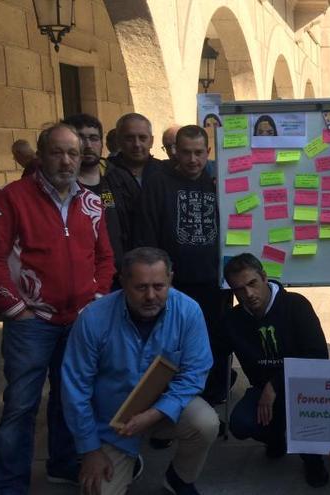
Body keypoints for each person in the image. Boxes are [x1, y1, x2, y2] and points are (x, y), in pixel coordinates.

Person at [0, 124, 115, 492]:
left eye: (73, 153)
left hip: (79, 321)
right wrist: (16, 308)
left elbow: (104, 258)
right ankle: (10, 484)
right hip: (31, 322)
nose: (67, 160)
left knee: (69, 398)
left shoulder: (91, 201)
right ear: (41, 155)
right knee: (21, 407)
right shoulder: (11, 198)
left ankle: (62, 463)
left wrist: (97, 302)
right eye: (57, 152)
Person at [61, 247, 219, 495]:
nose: (151, 296)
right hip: (112, 426)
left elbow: (195, 372)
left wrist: (155, 413)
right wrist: (89, 450)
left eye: (159, 286)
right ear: (123, 282)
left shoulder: (188, 311)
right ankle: (128, 462)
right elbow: (75, 389)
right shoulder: (93, 318)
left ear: (170, 279)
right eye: (141, 287)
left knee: (205, 422)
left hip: (165, 412)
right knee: (97, 491)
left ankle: (179, 478)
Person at [133, 125, 231, 405]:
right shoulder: (158, 183)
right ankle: (165, 411)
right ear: (175, 151)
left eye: (199, 153)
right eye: (185, 152)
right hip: (173, 286)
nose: (192, 160)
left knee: (213, 344)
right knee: (169, 349)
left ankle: (211, 403)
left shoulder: (220, 182)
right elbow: (147, 234)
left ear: (208, 152)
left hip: (215, 284)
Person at [222, 253, 330, 488]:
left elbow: (317, 355)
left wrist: (275, 385)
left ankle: (312, 459)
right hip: (262, 391)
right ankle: (275, 436)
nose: (248, 295)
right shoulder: (232, 319)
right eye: (239, 289)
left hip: (303, 388)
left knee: (305, 417)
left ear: (263, 276)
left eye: (252, 284)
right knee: (240, 424)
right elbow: (212, 354)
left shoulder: (296, 305)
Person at [62, 113, 139, 279]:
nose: (88, 145)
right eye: (81, 138)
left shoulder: (120, 178)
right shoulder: (59, 185)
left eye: (94, 138)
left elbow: (138, 226)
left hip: (119, 276)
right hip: (76, 278)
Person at [108, 113, 163, 185]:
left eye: (142, 138)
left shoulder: (166, 172)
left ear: (151, 141)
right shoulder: (105, 172)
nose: (137, 144)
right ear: (118, 141)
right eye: (129, 138)